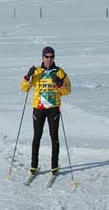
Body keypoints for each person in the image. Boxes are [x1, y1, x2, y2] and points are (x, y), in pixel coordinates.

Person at [21, 46, 72, 176]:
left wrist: (59, 84)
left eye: (51, 57)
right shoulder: (37, 72)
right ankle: (33, 166)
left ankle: (54, 167)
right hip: (38, 108)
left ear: (54, 57)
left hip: (53, 109)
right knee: (37, 136)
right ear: (42, 57)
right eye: (46, 57)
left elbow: (68, 91)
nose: (49, 59)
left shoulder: (60, 72)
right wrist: (28, 76)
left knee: (54, 137)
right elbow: (25, 88)